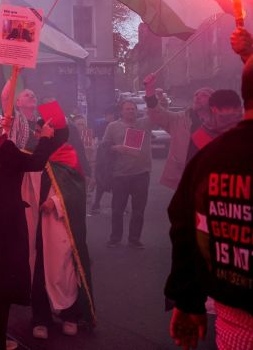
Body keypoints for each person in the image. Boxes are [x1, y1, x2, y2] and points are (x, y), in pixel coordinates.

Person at [165, 55, 253, 350]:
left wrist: (187, 299)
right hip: (236, 321)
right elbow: (186, 220)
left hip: (233, 317)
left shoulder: (208, 158)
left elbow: (184, 227)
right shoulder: (202, 148)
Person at [0, 109, 59, 350]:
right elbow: (35, 163)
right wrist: (45, 138)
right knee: (0, 286)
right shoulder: (4, 149)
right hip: (4, 225)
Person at [27, 120, 96, 340]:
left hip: (60, 227)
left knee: (65, 271)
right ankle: (41, 319)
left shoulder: (68, 156)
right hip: (37, 225)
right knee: (38, 271)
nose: (38, 135)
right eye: (38, 131)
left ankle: (70, 316)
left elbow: (76, 193)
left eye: (41, 131)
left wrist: (55, 203)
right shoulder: (35, 153)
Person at [144, 73, 215, 190]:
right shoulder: (180, 119)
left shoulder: (222, 123)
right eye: (196, 95)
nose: (197, 97)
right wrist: (149, 90)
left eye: (203, 95)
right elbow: (158, 114)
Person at [101, 100, 152, 248]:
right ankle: (115, 238)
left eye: (133, 109)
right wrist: (116, 147)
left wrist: (159, 98)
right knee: (117, 209)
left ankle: (134, 239)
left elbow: (158, 113)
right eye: (128, 109)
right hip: (120, 175)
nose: (131, 111)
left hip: (141, 174)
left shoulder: (145, 123)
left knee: (139, 210)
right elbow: (104, 146)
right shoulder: (113, 126)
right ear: (121, 111)